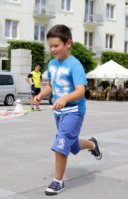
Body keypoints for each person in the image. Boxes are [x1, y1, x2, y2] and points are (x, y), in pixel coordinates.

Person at [34, 24, 102, 196]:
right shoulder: (51, 64)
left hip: (74, 111)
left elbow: (81, 91)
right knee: (72, 146)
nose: (53, 49)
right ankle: (93, 144)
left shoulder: (75, 65)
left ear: (68, 43)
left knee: (60, 144)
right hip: (59, 113)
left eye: (56, 45)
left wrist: (64, 99)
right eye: (50, 46)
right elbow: (51, 86)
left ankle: (58, 181)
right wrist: (41, 95)